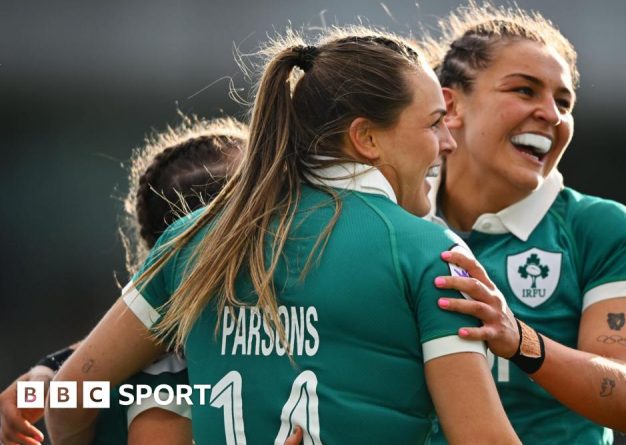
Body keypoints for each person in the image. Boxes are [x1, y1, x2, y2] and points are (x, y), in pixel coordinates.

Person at [46, 27, 520, 444]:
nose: (449, 142)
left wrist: (41, 377)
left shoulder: (193, 238)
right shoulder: (432, 253)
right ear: (367, 138)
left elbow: (67, 394)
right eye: (435, 123)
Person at [421, 3, 626, 444]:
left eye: (564, 101)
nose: (552, 115)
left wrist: (519, 339)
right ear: (450, 105)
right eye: (525, 90)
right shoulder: (398, 222)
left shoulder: (601, 228)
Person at [0, 115, 246, 445]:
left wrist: (47, 373)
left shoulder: (169, 350)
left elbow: (73, 382)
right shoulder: (172, 376)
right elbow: (73, 394)